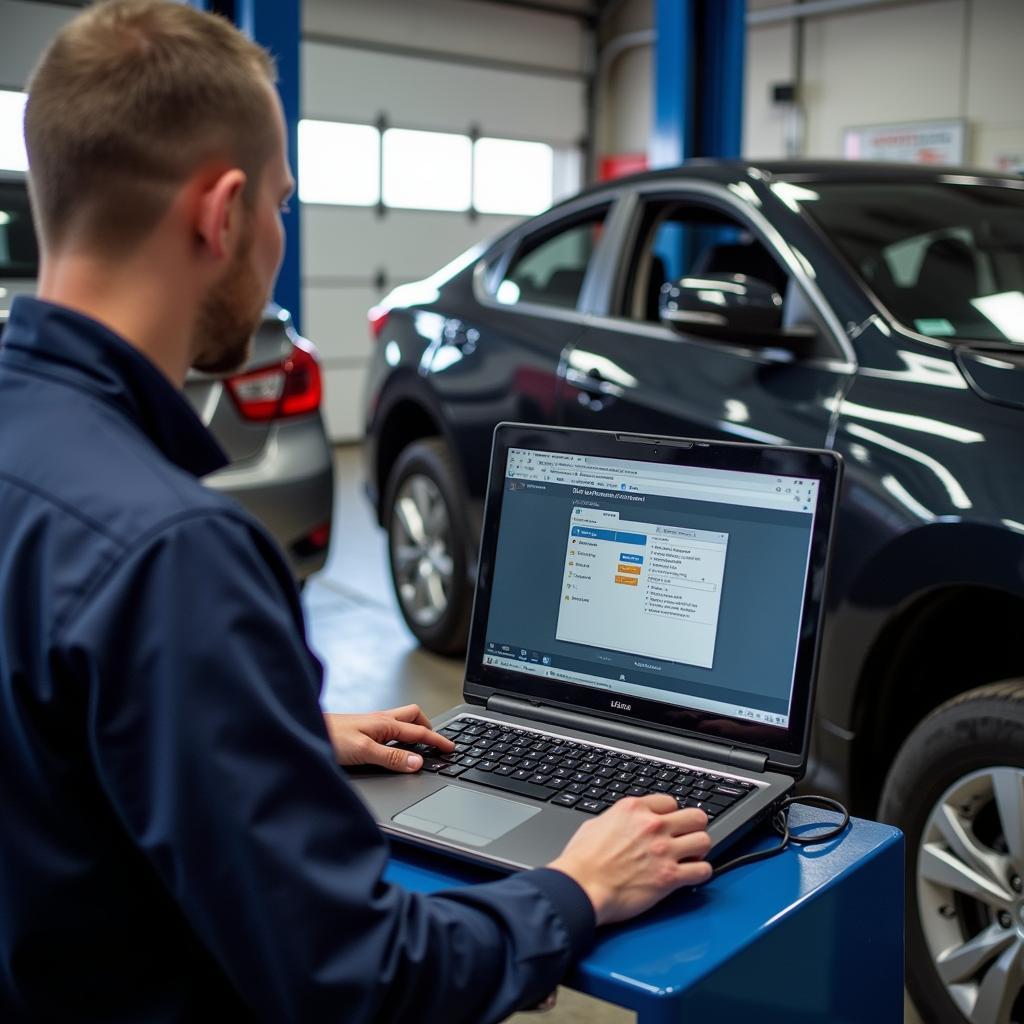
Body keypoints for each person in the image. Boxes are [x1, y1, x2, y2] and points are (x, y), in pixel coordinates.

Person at [0, 2, 713, 1021]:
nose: (279, 237)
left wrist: (253, 729)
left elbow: (46, 734)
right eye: (282, 206)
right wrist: (576, 887)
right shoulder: (175, 554)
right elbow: (357, 978)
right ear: (222, 211)